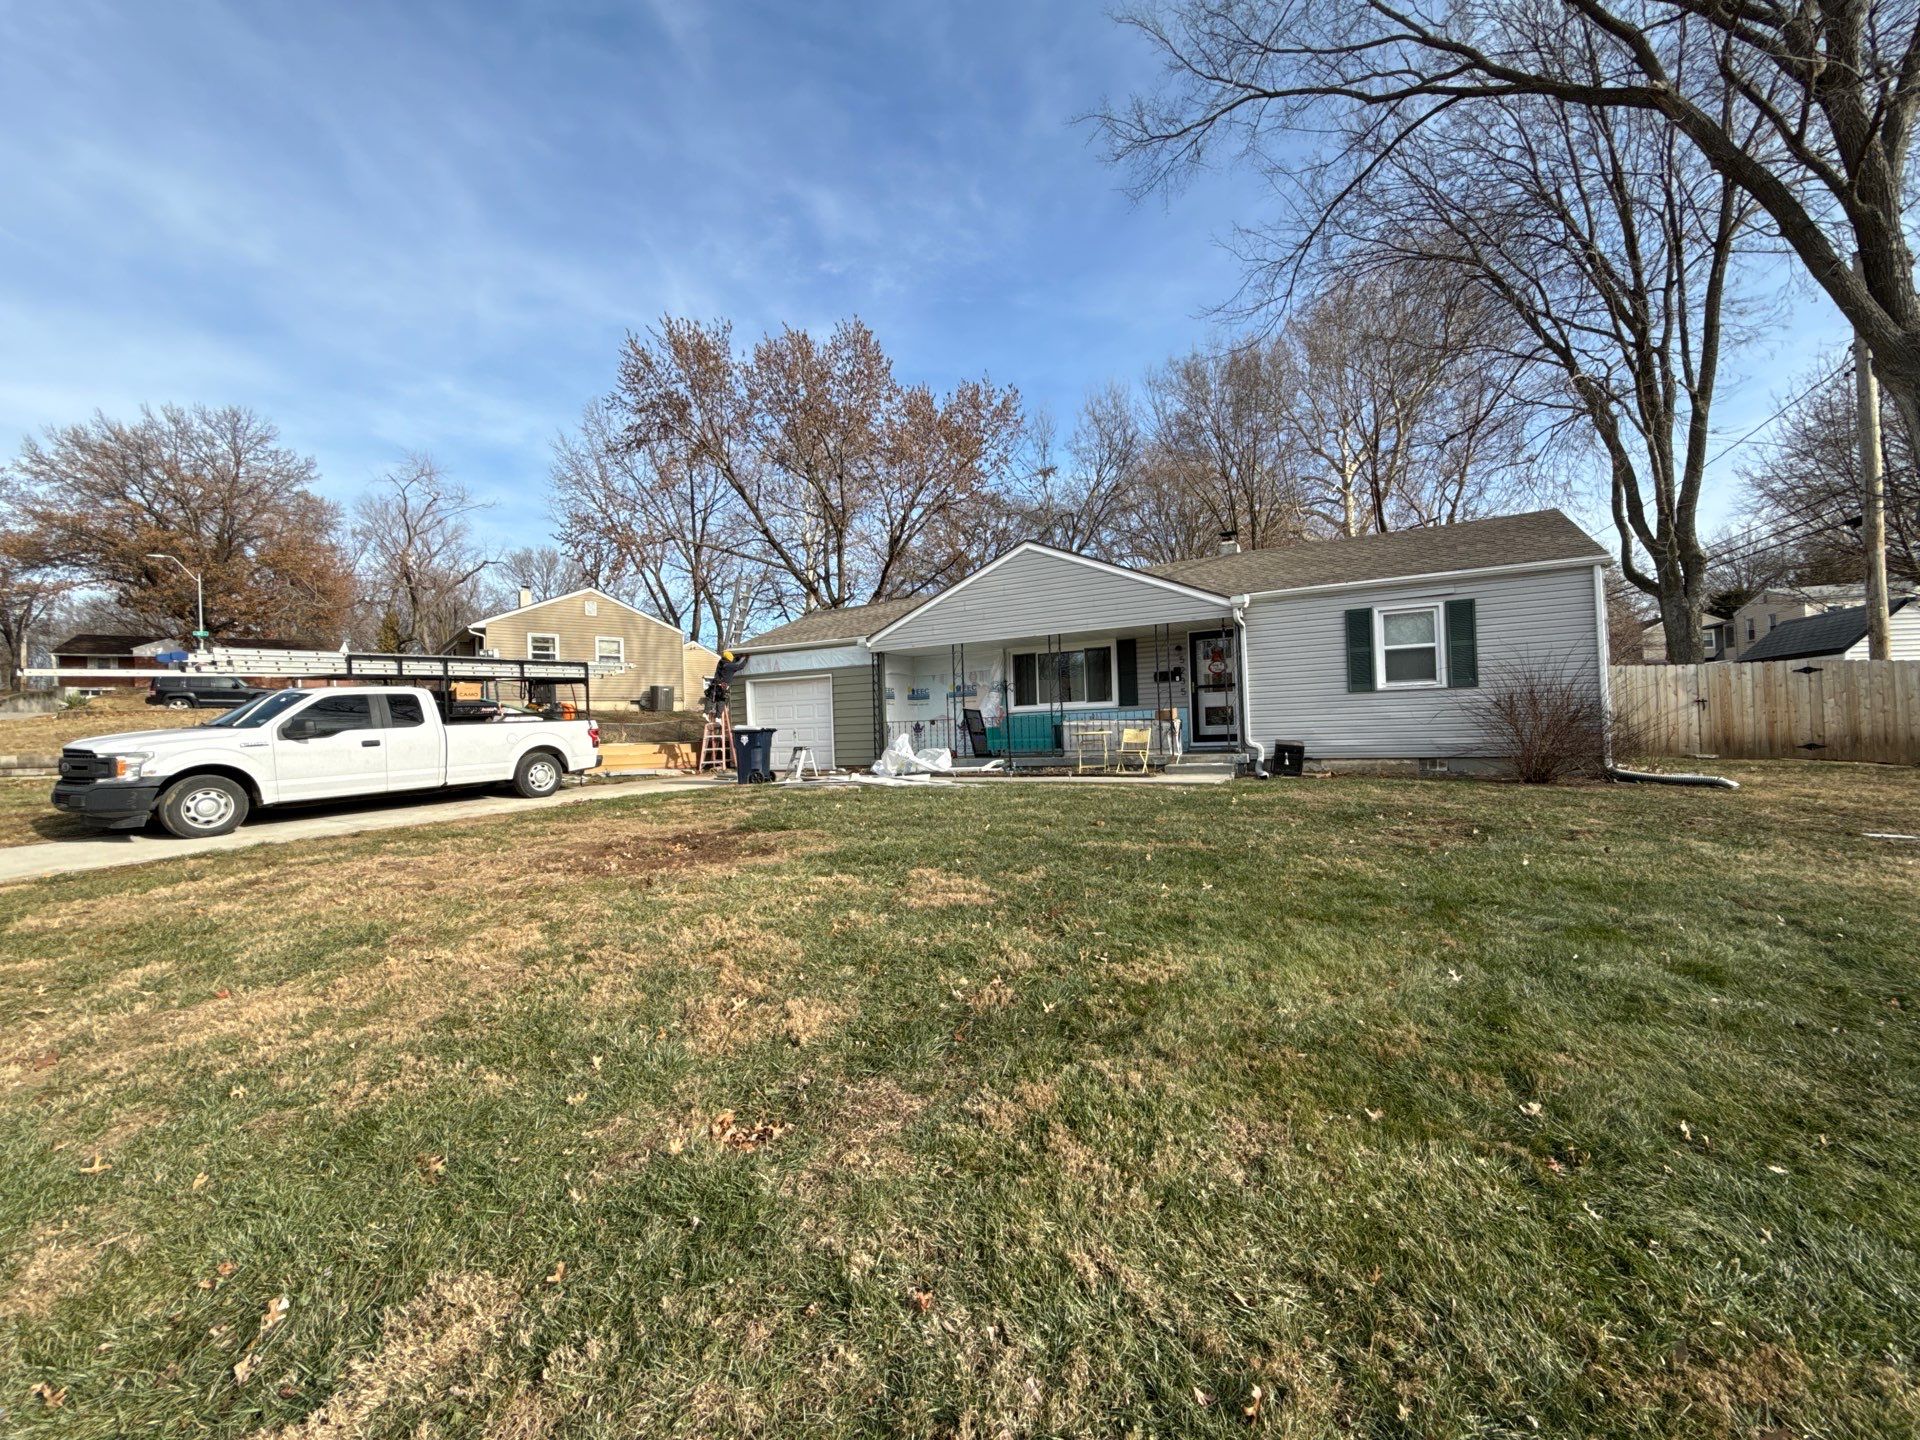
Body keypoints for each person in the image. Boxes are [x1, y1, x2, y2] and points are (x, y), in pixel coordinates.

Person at [702, 649, 748, 717]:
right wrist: (746, 659)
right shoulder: (730, 666)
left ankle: (705, 713)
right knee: (721, 700)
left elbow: (732, 661)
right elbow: (740, 666)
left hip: (715, 684)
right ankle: (718, 717)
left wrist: (740, 656)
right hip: (723, 686)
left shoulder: (720, 663)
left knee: (711, 698)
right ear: (730, 659)